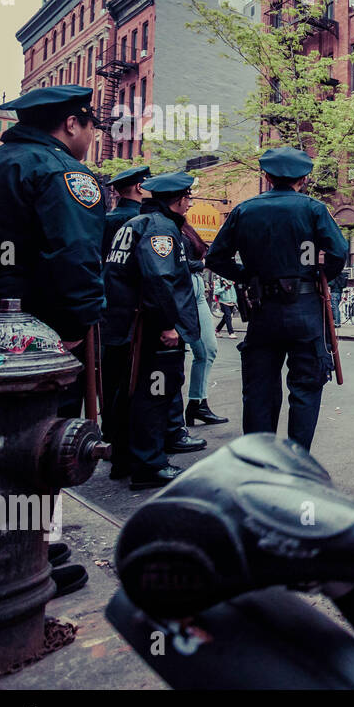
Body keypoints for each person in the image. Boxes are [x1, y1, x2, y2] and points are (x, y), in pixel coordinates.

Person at [0, 85, 107, 417]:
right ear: (72, 124)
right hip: (38, 335)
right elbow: (75, 256)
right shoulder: (63, 172)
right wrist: (72, 329)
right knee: (42, 443)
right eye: (91, 127)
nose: (91, 136)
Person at [206, 147, 347, 450]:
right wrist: (320, 273)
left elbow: (216, 258)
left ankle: (260, 463)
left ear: (266, 176)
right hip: (306, 311)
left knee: (259, 390)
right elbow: (338, 253)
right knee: (306, 389)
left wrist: (248, 275)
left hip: (263, 310)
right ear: (304, 177)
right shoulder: (314, 209)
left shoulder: (244, 210)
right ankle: (297, 461)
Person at [101, 172, 202, 489]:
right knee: (153, 395)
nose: (188, 204)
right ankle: (150, 465)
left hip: (124, 328)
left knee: (125, 395)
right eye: (187, 198)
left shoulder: (135, 225)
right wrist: (167, 325)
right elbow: (159, 280)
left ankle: (124, 460)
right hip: (150, 332)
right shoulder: (159, 230)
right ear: (177, 199)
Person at [181, 220, 227, 428]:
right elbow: (175, 262)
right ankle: (193, 405)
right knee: (193, 352)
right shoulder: (164, 226)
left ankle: (198, 403)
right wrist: (202, 264)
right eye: (185, 194)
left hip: (197, 289)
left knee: (208, 349)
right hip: (185, 288)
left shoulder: (183, 225)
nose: (189, 199)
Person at [102, 165, 151, 255]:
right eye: (149, 185)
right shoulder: (144, 219)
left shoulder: (106, 218)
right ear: (139, 187)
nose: (152, 189)